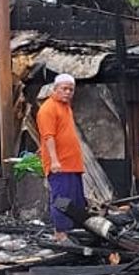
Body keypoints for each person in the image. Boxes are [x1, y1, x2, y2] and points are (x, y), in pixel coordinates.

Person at [35, 74, 85, 241]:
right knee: (61, 199)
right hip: (60, 164)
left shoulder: (66, 107)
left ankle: (73, 232)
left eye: (71, 89)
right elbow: (49, 136)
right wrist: (54, 160)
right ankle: (61, 233)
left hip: (73, 164)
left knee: (75, 201)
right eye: (64, 88)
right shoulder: (48, 109)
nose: (68, 92)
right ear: (55, 89)